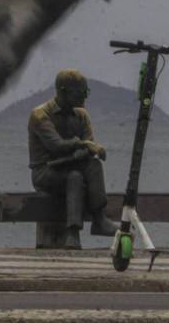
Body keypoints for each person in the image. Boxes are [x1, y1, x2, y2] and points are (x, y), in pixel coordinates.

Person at [28, 69, 118, 249]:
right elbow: (56, 145)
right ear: (63, 91)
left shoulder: (82, 115)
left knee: (93, 164)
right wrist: (81, 145)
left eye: (86, 93)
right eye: (80, 93)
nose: (84, 98)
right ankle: (73, 232)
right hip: (45, 172)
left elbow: (89, 148)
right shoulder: (40, 115)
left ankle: (99, 218)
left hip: (73, 165)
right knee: (75, 177)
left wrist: (84, 150)